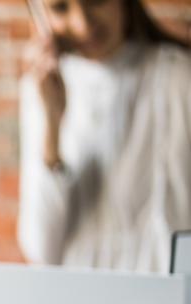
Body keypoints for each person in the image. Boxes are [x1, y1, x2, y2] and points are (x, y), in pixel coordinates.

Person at [19, 0, 191, 272]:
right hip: (79, 298)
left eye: (96, 0)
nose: (83, 24)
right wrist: (52, 126)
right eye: (60, 8)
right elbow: (40, 249)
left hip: (165, 299)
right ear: (39, 16)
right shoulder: (42, 89)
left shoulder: (179, 78)